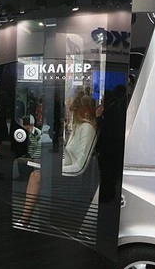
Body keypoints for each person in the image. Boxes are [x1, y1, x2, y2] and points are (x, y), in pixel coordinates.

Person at [19, 95, 97, 225]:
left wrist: (55, 169)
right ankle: (27, 218)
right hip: (66, 167)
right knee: (36, 169)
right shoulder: (78, 127)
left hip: (73, 176)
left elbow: (79, 166)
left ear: (80, 111)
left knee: (35, 176)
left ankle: (25, 219)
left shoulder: (86, 128)